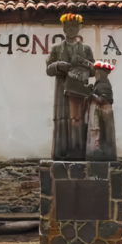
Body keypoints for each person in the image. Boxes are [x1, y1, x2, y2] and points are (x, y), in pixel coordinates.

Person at [46, 13, 95, 160]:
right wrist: (58, 65)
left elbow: (93, 70)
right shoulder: (56, 49)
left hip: (79, 91)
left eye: (75, 26)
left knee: (78, 120)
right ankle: (60, 154)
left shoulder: (86, 49)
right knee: (62, 120)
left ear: (79, 28)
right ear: (64, 28)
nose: (71, 29)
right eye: (68, 26)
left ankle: (78, 153)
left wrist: (82, 65)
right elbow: (49, 69)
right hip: (62, 90)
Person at [86, 61, 117, 161]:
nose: (96, 74)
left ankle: (102, 153)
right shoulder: (99, 84)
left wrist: (91, 95)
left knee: (102, 136)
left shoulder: (104, 84)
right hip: (98, 113)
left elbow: (103, 100)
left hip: (103, 114)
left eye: (98, 72)